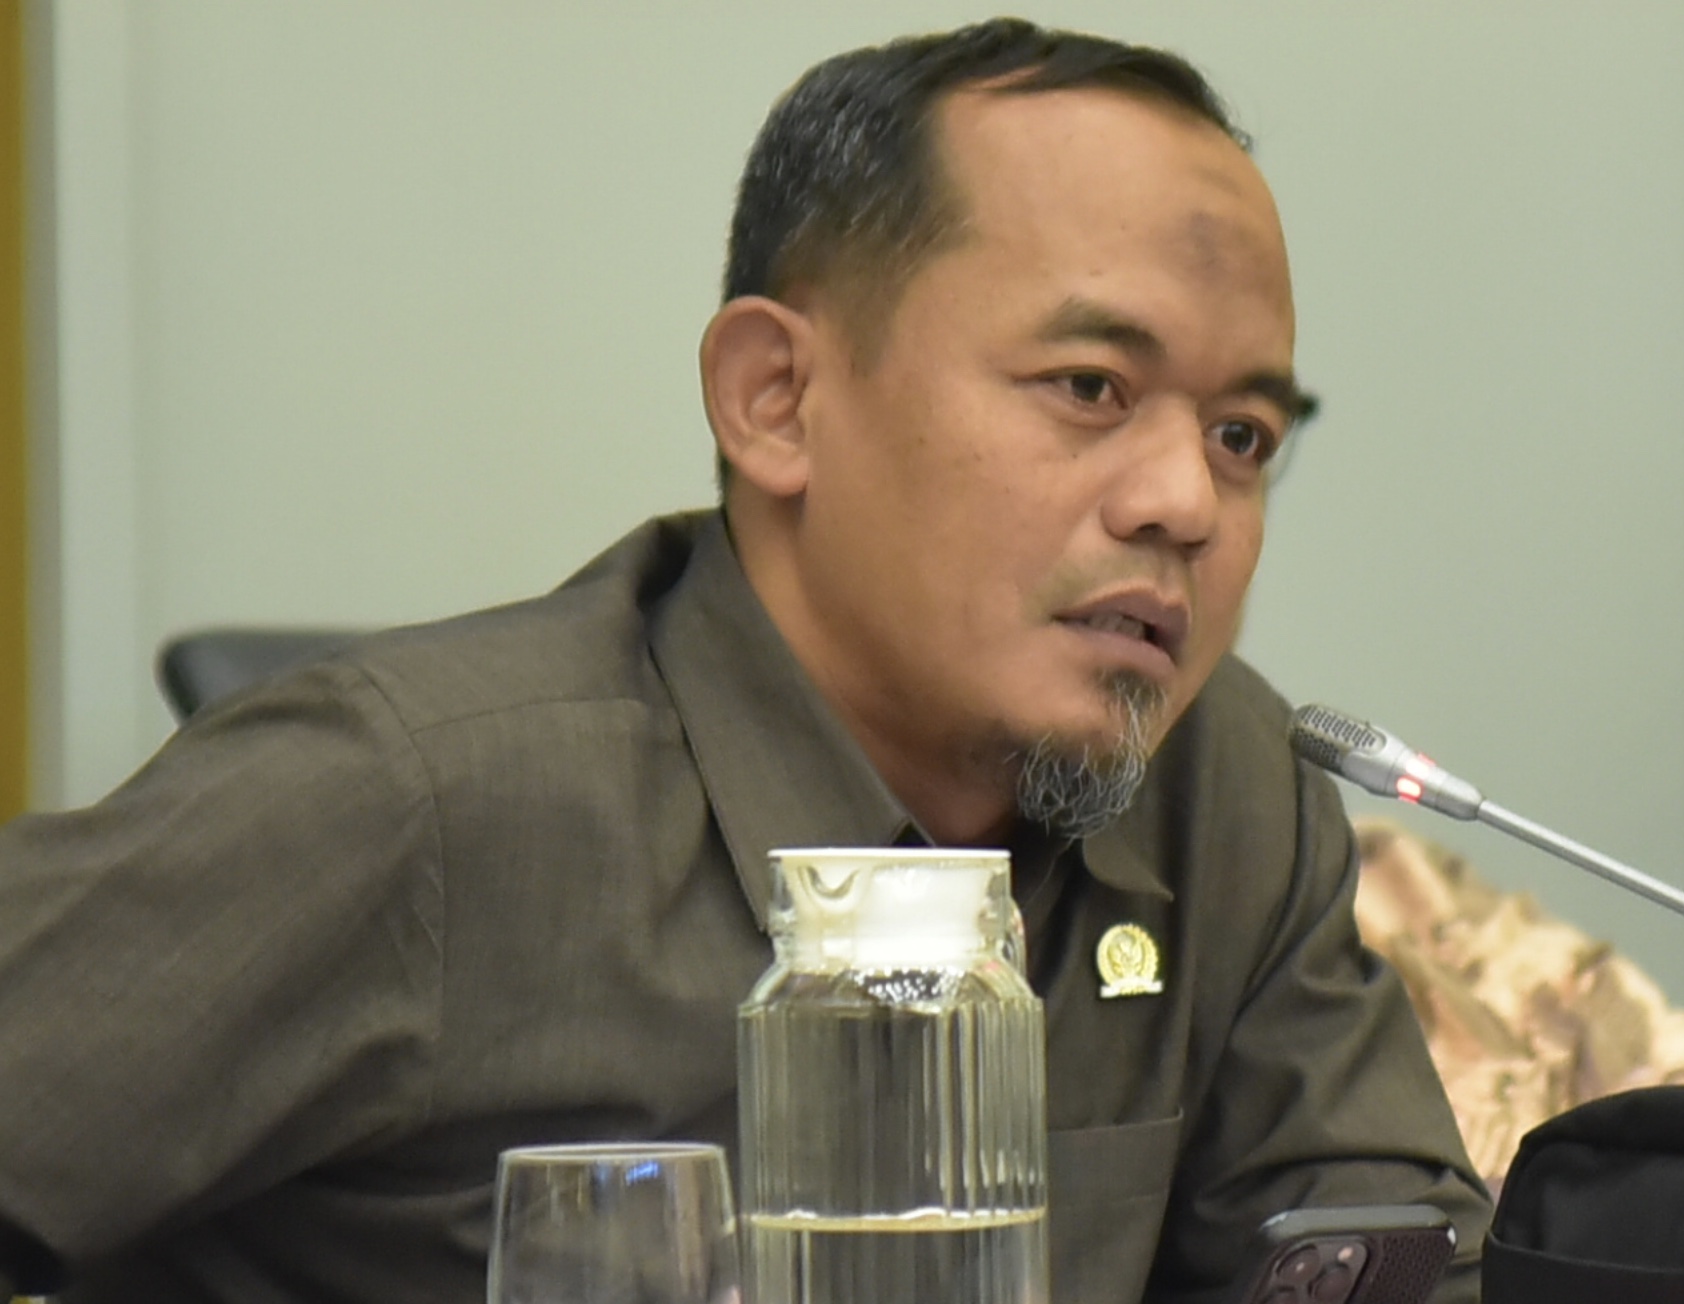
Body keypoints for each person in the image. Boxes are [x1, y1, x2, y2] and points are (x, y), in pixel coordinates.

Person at [0, 19, 1490, 1304]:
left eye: (1242, 438)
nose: (1184, 503)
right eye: (1090, 387)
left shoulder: (1222, 794)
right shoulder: (415, 806)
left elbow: (1392, 1258)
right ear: (777, 399)